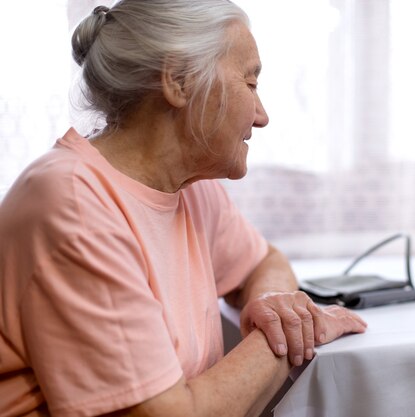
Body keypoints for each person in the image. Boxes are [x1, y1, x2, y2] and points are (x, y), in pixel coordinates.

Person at [0, 1, 367, 416]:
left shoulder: (190, 188)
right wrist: (289, 335)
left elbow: (263, 261)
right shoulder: (74, 208)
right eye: (249, 84)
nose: (262, 116)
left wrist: (276, 302)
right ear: (178, 80)